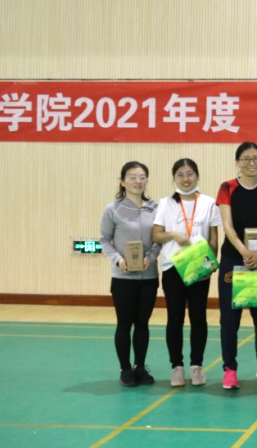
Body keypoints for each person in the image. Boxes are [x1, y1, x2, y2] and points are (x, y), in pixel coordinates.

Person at [216, 142, 257, 390]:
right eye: (245, 159)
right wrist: (244, 252)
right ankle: (230, 369)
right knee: (230, 318)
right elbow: (227, 225)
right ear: (238, 162)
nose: (251, 163)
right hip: (234, 260)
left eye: (255, 158)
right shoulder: (227, 188)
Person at [153, 158, 222, 387]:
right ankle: (177, 367)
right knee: (175, 318)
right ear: (174, 178)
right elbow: (156, 235)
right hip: (173, 267)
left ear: (197, 176)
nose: (185, 179)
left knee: (198, 317)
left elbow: (214, 239)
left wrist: (210, 266)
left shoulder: (209, 203)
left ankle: (196, 366)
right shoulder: (165, 204)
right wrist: (173, 235)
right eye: (180, 174)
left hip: (198, 267)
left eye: (190, 173)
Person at [100, 161, 161, 387]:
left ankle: (140, 367)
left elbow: (159, 240)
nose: (138, 181)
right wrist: (118, 259)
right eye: (132, 177)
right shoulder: (112, 209)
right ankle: (125, 368)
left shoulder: (156, 208)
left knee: (143, 324)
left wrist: (150, 257)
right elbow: (104, 240)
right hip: (123, 278)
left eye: (142, 177)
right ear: (122, 181)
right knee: (124, 323)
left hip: (149, 277)